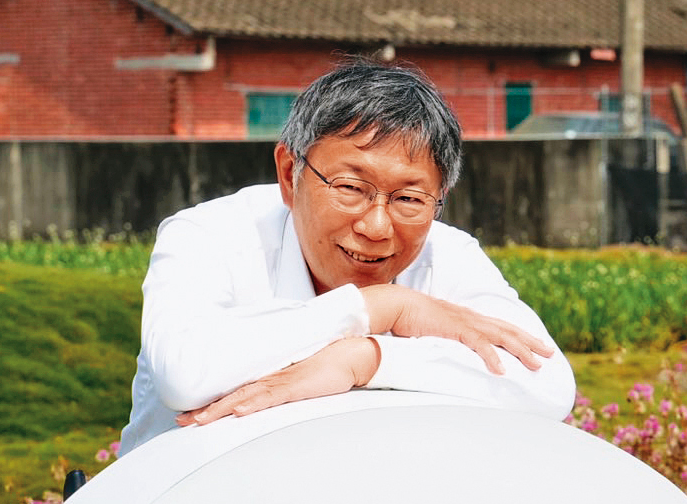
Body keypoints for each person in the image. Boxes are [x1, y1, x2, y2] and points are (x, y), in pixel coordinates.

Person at [118, 57, 575, 454]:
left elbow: (549, 386)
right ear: (288, 172)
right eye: (351, 189)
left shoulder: (447, 253)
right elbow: (185, 373)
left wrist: (366, 359)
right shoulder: (210, 235)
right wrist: (379, 307)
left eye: (410, 198)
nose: (376, 227)